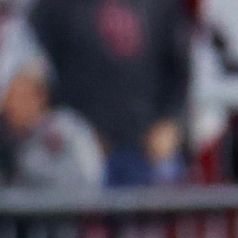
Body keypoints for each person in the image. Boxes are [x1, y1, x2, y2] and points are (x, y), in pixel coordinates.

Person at [30, 0, 192, 186]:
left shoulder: (162, 6)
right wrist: (74, 133)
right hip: (77, 149)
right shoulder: (54, 7)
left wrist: (171, 123)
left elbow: (180, 73)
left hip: (147, 147)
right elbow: (34, 75)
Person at [0, 56, 103, 186]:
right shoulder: (8, 137)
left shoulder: (65, 130)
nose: (11, 106)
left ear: (40, 97)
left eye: (19, 96)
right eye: (9, 97)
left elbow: (90, 177)